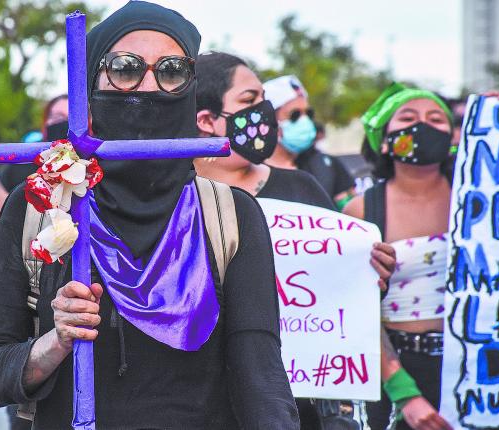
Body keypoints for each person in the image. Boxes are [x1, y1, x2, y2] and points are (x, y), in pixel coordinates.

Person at [0, 2, 300, 428]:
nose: (148, 88)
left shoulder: (231, 216)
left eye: (171, 71)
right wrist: (57, 341)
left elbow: (261, 377)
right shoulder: (39, 205)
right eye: (125, 69)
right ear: (90, 88)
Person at [194, 50, 396, 430]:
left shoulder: (301, 187)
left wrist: (367, 276)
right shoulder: (179, 198)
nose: (265, 113)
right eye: (249, 101)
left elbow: (338, 289)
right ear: (206, 120)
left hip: (297, 402)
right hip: (205, 400)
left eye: (264, 101)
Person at [343, 83, 457, 430]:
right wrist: (403, 392)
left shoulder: (480, 198)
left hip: (473, 365)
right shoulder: (362, 210)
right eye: (408, 118)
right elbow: (352, 307)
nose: (423, 125)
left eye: (436, 118)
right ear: (383, 137)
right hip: (395, 370)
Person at [0, 95, 68, 430]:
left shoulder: (105, 170)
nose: (65, 122)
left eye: (72, 115)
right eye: (56, 116)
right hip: (24, 286)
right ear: (44, 124)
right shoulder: (19, 166)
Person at [263, 75, 356, 209]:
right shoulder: (251, 171)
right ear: (270, 120)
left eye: (308, 113)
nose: (305, 121)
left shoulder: (326, 165)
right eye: (295, 115)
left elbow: (350, 212)